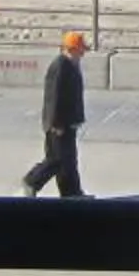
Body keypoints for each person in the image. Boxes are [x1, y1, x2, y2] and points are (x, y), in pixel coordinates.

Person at [22, 31, 91, 198]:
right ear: (72, 49)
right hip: (58, 125)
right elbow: (54, 97)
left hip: (68, 123)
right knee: (56, 160)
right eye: (81, 49)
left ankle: (71, 192)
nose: (83, 53)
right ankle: (32, 181)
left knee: (68, 161)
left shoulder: (71, 64)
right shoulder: (61, 66)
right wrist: (56, 124)